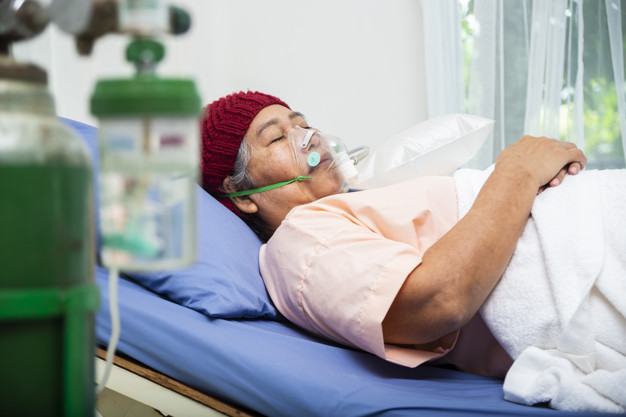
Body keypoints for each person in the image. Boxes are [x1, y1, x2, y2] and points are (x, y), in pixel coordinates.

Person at [200, 91, 624, 392]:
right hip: (578, 259)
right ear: (243, 194)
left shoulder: (352, 204)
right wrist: (516, 170)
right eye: (277, 138)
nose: (309, 137)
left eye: (303, 123)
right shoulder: (295, 242)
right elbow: (438, 300)